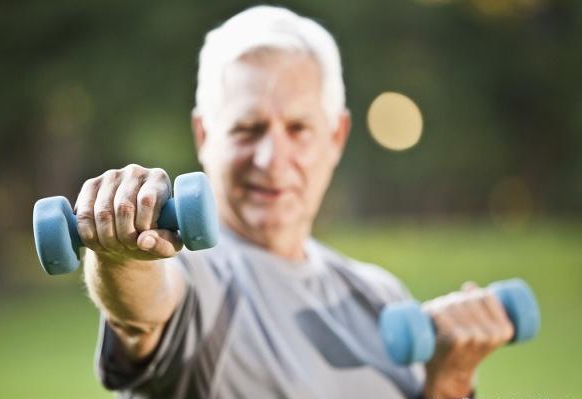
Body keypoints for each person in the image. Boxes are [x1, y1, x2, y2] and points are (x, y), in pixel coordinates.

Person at [75, 6, 514, 399]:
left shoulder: (381, 296)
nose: (271, 159)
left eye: (299, 128)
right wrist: (122, 258)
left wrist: (448, 386)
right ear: (204, 135)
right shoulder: (195, 273)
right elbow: (142, 316)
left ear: (336, 137)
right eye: (248, 128)